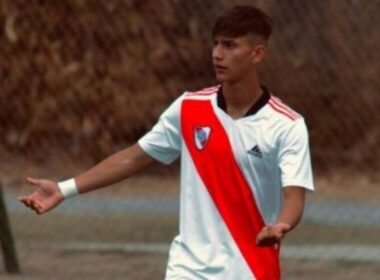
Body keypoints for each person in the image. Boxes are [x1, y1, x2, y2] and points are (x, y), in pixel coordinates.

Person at [19, 5, 314, 280]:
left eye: (230, 45)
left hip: (251, 269)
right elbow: (133, 158)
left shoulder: (287, 125)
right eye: (216, 43)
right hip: (187, 268)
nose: (217, 54)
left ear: (257, 54)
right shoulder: (189, 108)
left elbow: (294, 199)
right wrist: (63, 189)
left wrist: (280, 225)